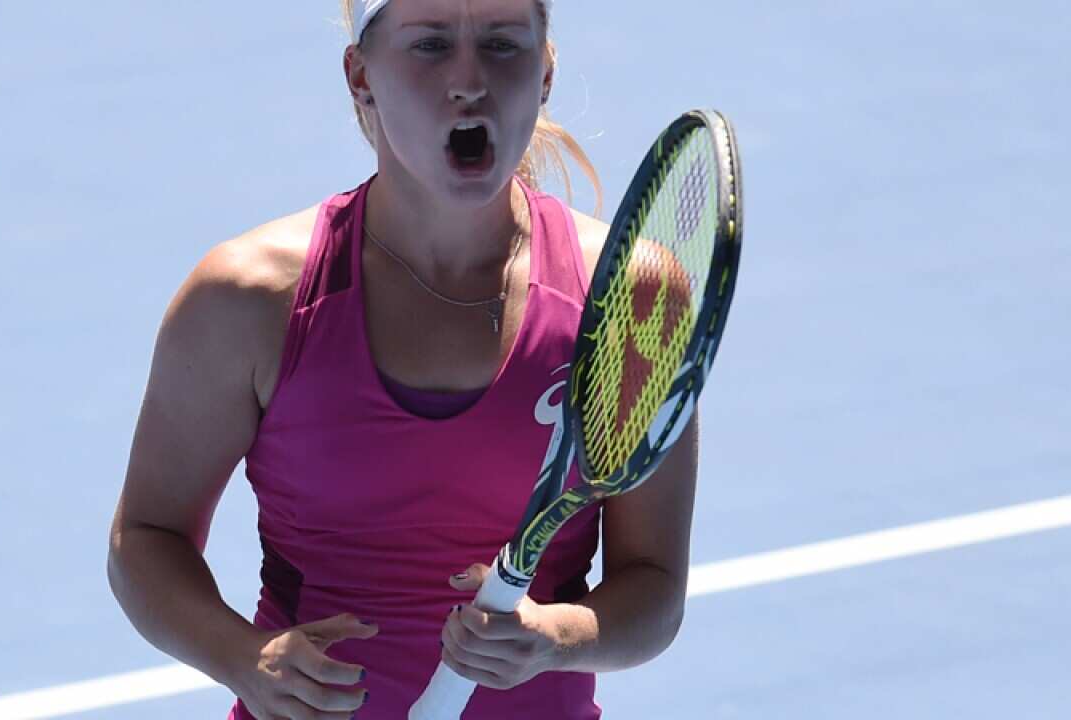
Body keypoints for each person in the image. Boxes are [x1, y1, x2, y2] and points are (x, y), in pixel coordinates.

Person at [106, 0, 699, 717]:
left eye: (503, 45)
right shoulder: (247, 301)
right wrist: (244, 658)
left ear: (545, 73)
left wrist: (556, 638)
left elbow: (653, 586)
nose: (470, 82)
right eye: (430, 45)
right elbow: (147, 538)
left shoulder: (630, 299)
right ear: (361, 76)